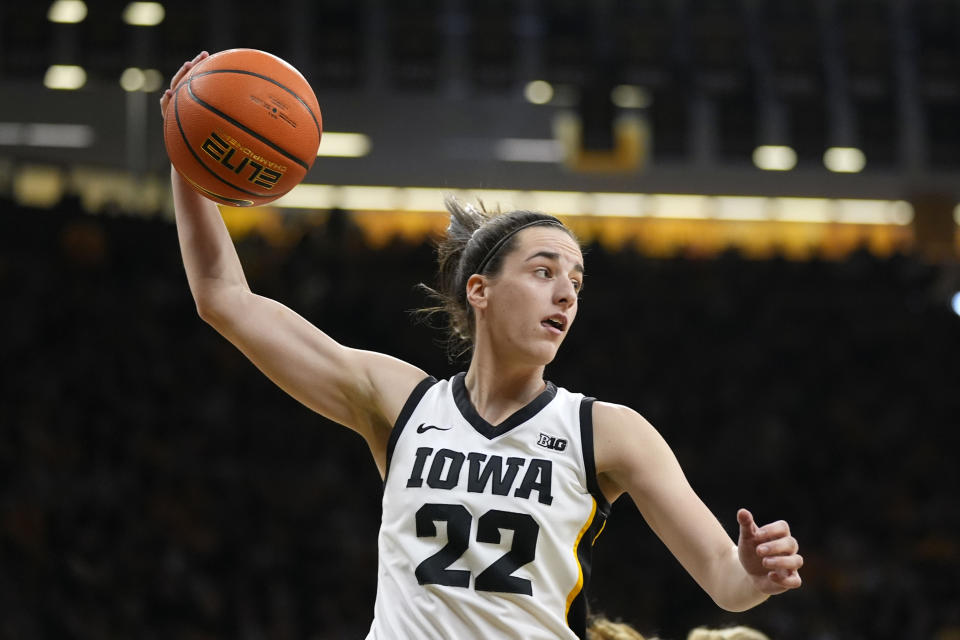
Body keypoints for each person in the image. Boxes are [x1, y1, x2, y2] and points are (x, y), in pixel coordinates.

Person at [161, 52, 803, 640]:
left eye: (576, 282)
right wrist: (185, 152)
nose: (567, 295)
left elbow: (724, 577)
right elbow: (225, 298)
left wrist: (754, 571)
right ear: (480, 290)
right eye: (544, 272)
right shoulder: (401, 404)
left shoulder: (606, 432)